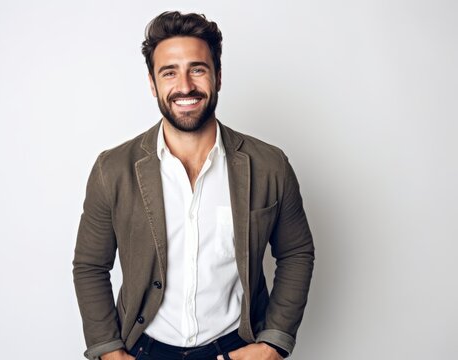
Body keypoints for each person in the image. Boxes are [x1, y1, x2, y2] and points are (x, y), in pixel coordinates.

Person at [73, 11, 315, 360]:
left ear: (217, 77)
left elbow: (296, 253)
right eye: (169, 72)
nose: (184, 86)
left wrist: (273, 343)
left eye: (197, 69)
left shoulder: (268, 164)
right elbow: (90, 266)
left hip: (235, 347)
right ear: (152, 84)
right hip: (144, 348)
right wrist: (108, 349)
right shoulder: (112, 169)